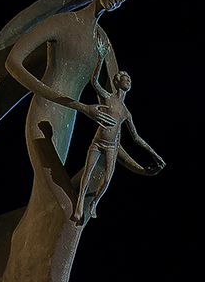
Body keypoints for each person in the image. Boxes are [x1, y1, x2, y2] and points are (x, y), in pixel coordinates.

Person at [71, 70, 165, 224]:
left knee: (107, 178)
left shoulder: (126, 113)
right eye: (125, 78)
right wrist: (100, 59)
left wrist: (154, 154)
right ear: (117, 81)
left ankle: (94, 202)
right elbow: (95, 82)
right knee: (87, 173)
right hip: (97, 142)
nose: (128, 81)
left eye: (129, 79)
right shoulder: (108, 98)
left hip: (111, 147)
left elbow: (136, 137)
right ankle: (79, 205)